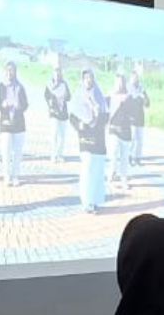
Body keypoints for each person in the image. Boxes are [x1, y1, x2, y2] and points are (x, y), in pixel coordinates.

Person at [69, 69, 107, 214]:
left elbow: (106, 116)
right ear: (83, 80)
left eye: (91, 78)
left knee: (97, 170)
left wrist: (98, 115)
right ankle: (86, 202)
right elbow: (72, 117)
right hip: (85, 137)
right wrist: (81, 125)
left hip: (99, 138)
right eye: (86, 78)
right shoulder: (78, 96)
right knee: (87, 168)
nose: (89, 80)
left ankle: (95, 201)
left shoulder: (99, 95)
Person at [0, 61, 28, 188]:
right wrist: (2, 105)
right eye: (7, 70)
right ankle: (7, 175)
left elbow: (26, 104)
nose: (9, 73)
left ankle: (15, 175)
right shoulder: (1, 86)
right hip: (5, 122)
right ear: (5, 72)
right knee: (6, 151)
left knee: (17, 152)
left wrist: (21, 106)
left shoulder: (20, 87)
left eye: (12, 70)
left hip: (19, 123)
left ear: (15, 72)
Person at [107, 74, 133, 193]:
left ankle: (124, 180)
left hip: (126, 131)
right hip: (113, 129)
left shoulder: (129, 97)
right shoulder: (110, 96)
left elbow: (134, 112)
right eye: (118, 82)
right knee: (113, 153)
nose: (120, 84)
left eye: (122, 82)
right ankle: (111, 174)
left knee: (124, 157)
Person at [44, 65, 71, 164]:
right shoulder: (49, 84)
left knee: (62, 135)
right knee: (54, 133)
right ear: (53, 73)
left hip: (63, 112)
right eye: (56, 72)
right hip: (53, 112)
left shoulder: (64, 84)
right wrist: (50, 101)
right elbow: (46, 96)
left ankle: (60, 154)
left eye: (59, 72)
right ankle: (53, 155)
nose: (58, 74)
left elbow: (69, 97)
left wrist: (66, 96)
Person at [127, 66, 150, 167]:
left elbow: (148, 103)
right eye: (133, 77)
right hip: (130, 118)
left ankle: (138, 158)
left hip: (140, 117)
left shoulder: (141, 89)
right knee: (132, 139)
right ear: (130, 78)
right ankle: (129, 157)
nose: (135, 79)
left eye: (136, 77)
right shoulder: (127, 88)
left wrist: (144, 98)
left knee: (140, 140)